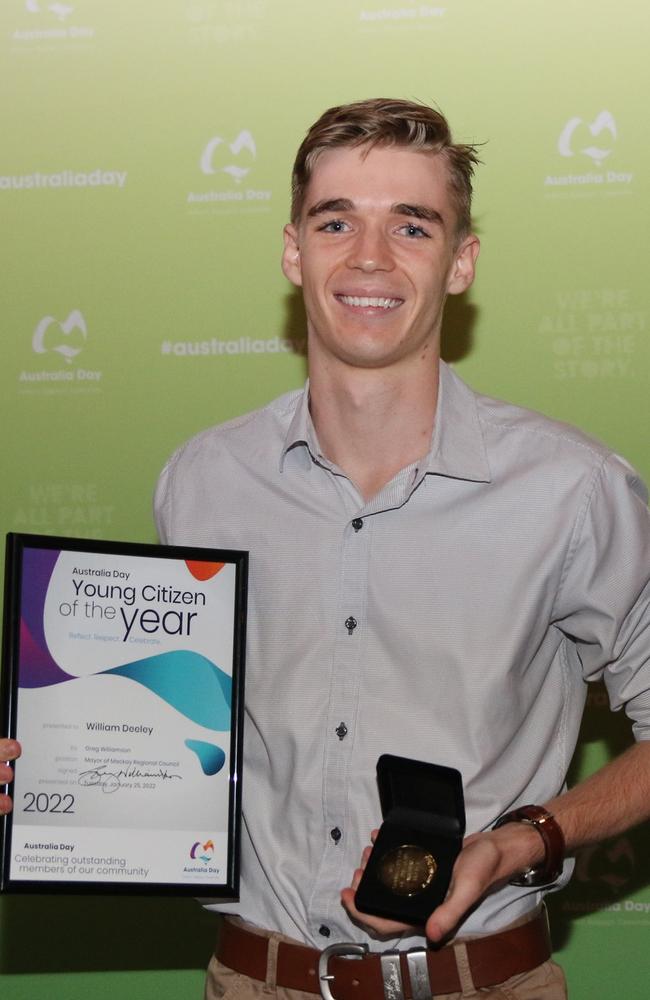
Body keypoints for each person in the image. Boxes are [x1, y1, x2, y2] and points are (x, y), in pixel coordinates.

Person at [2, 98, 649, 999]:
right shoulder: (203, 479)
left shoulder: (572, 491)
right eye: (336, 220)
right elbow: (179, 732)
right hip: (255, 981)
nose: (370, 258)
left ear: (460, 263)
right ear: (292, 251)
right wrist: (61, 768)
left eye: (411, 225)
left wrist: (526, 837)